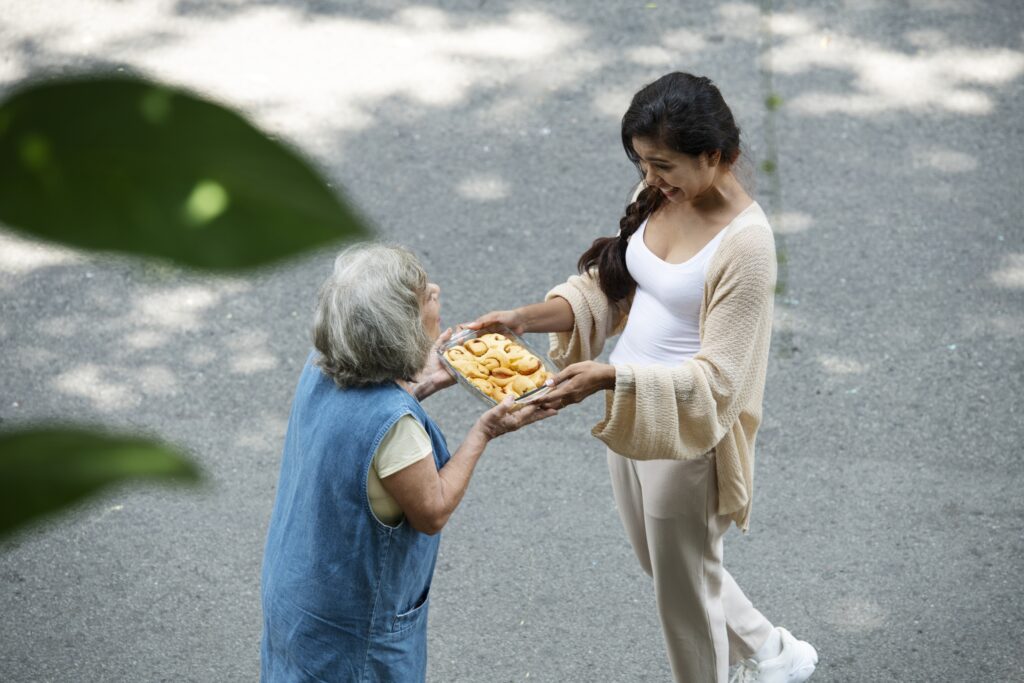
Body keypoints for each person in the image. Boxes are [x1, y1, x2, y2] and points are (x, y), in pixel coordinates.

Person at [469, 72, 817, 683]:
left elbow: (720, 380)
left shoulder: (747, 245)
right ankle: (773, 654)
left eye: (663, 164)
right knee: (671, 567)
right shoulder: (663, 194)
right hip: (632, 412)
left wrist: (610, 379)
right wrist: (524, 318)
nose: (650, 177)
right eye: (642, 161)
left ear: (716, 156)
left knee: (684, 598)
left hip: (686, 434)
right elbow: (611, 289)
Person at [260, 243, 556, 682]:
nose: (435, 291)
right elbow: (431, 510)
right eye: (424, 297)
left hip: (297, 594)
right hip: (353, 630)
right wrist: (484, 431)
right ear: (400, 327)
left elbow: (356, 430)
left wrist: (416, 386)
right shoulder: (395, 428)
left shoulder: (320, 366)